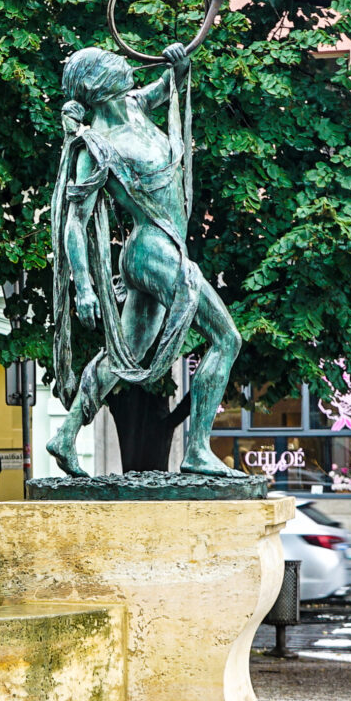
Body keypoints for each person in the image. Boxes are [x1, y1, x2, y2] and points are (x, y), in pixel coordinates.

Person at [46, 40, 242, 478]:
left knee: (124, 356)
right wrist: (83, 286)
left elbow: (170, 84)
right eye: (112, 62)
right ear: (98, 83)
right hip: (149, 250)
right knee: (227, 339)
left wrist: (180, 65)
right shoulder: (96, 146)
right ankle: (197, 449)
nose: (124, 62)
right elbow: (75, 223)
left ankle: (65, 434)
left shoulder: (135, 106)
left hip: (164, 248)